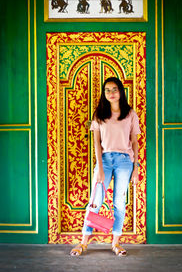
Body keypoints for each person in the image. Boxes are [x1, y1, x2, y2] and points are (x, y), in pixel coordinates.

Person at [70, 77, 141, 257]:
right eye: (107, 90)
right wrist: (100, 168)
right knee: (95, 201)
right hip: (105, 159)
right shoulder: (99, 114)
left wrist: (136, 168)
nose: (111, 93)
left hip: (125, 161)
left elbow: (134, 142)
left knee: (119, 203)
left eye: (114, 89)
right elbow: (96, 143)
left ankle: (116, 243)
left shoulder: (130, 114)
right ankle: (83, 242)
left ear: (121, 92)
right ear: (104, 93)